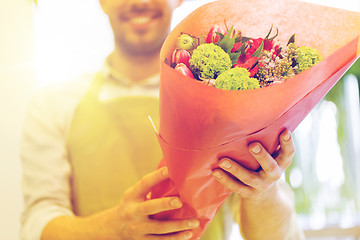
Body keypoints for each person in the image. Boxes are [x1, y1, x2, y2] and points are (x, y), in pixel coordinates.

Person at [20, 0, 304, 239]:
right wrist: (113, 227)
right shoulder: (54, 103)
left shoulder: (226, 98)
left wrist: (262, 191)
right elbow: (38, 221)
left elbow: (278, 234)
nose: (139, 1)